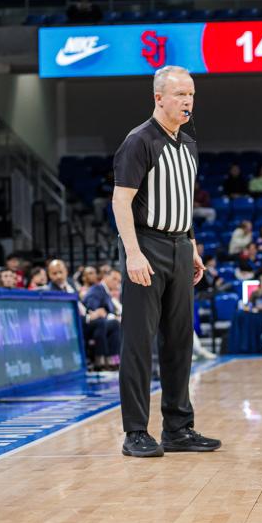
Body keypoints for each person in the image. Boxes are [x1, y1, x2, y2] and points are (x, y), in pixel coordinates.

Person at [111, 65, 219, 458]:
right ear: (159, 98)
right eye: (179, 94)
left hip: (178, 245)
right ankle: (135, 432)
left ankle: (178, 428)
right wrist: (133, 253)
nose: (187, 101)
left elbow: (182, 202)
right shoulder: (139, 141)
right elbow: (120, 201)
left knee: (180, 341)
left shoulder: (188, 143)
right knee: (139, 342)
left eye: (191, 94)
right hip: (147, 246)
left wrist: (191, 244)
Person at [82, 268, 123, 370]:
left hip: (102, 323)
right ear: (105, 277)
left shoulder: (106, 292)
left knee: (116, 324)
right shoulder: (97, 289)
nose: (116, 283)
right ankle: (101, 360)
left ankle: (114, 359)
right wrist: (105, 314)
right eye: (114, 279)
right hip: (89, 323)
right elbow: (92, 309)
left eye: (118, 281)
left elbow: (109, 312)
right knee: (112, 323)